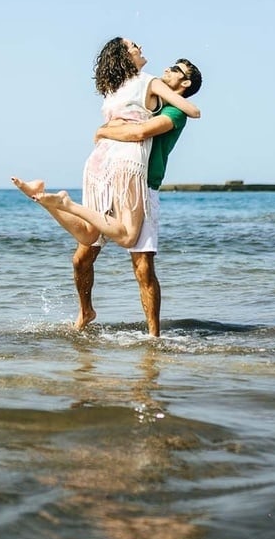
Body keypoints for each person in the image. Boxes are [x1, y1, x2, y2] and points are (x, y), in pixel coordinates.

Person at [12, 37, 200, 250]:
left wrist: (102, 131)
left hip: (99, 158)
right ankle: (66, 203)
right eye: (133, 46)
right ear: (126, 56)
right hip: (128, 159)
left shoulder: (113, 88)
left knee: (88, 235)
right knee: (128, 236)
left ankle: (46, 200)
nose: (140, 47)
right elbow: (193, 111)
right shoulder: (150, 81)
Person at [72, 56, 202, 337]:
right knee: (81, 259)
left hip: (143, 187)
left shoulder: (175, 114)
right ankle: (86, 312)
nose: (167, 69)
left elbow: (140, 132)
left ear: (185, 83)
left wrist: (104, 130)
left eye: (176, 70)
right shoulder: (148, 101)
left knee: (142, 267)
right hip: (114, 182)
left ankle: (153, 337)